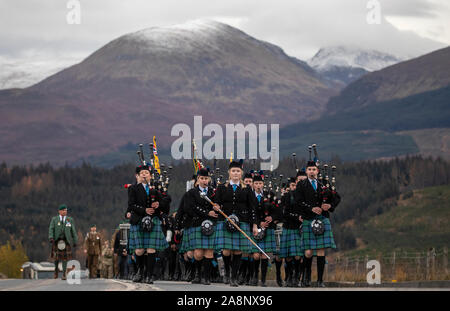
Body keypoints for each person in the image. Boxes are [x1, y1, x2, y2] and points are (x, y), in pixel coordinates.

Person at [296, 160, 341, 287]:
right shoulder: (301, 185)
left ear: (317, 171)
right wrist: (311, 208)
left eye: (314, 169)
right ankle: (306, 277)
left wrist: (330, 205)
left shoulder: (325, 184)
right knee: (308, 252)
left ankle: (320, 280)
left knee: (321, 250)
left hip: (322, 218)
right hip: (308, 218)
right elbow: (298, 201)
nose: (311, 171)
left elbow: (337, 197)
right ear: (306, 171)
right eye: (309, 169)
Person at [214, 160, 258, 287]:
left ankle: (234, 276)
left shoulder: (247, 189)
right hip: (226, 221)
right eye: (233, 171)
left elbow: (252, 208)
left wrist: (254, 225)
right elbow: (216, 202)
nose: (235, 173)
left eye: (238, 171)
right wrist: (216, 207)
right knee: (227, 251)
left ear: (241, 173)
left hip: (242, 222)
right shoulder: (222, 187)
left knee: (238, 251)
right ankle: (227, 272)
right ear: (229, 172)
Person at [126, 164, 168, 284]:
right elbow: (131, 205)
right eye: (142, 173)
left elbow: (166, 200)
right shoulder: (133, 189)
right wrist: (144, 210)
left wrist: (159, 204)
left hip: (153, 221)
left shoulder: (155, 189)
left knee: (151, 250)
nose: (144, 175)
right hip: (138, 220)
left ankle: (150, 275)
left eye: (147, 173)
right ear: (137, 176)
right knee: (139, 250)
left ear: (150, 176)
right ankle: (140, 270)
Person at [184, 168, 218, 285]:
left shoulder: (213, 192)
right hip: (197, 224)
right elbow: (191, 208)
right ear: (198, 179)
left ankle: (206, 277)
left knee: (209, 252)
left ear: (209, 179)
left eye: (206, 178)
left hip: (211, 224)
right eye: (202, 178)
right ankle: (197, 274)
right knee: (198, 253)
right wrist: (207, 212)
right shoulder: (191, 193)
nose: (204, 181)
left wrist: (217, 207)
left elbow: (217, 205)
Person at [250, 174, 280, 287]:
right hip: (255, 227)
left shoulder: (270, 195)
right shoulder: (250, 195)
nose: (258, 185)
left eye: (260, 183)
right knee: (256, 255)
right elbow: (250, 211)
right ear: (253, 184)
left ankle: (262, 280)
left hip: (268, 227)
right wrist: (258, 223)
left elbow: (278, 210)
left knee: (264, 255)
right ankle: (254, 276)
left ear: (263, 184)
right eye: (256, 183)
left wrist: (271, 218)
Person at [280, 177, 304, 287]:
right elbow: (284, 213)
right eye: (292, 185)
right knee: (288, 255)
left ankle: (296, 276)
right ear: (290, 186)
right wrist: (296, 216)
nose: (294, 187)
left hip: (297, 228)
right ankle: (289, 276)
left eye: (296, 185)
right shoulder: (286, 197)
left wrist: (299, 216)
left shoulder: (302, 197)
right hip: (287, 227)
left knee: (298, 255)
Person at [48, 204, 78, 280]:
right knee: (56, 258)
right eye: (64, 210)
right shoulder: (54, 219)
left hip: (66, 240)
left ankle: (64, 274)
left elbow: (73, 230)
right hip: (57, 240)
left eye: (66, 210)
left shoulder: (69, 220)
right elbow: (51, 228)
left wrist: (75, 240)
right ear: (60, 211)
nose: (65, 212)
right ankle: (56, 270)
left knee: (65, 258)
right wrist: (51, 237)